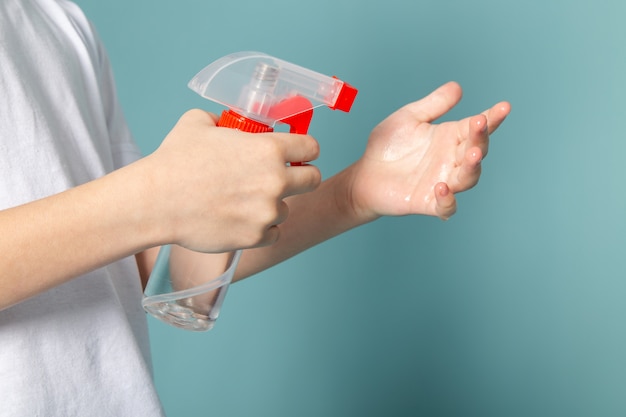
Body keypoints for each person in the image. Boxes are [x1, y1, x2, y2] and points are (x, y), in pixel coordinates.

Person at [0, 0, 511, 415]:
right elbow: (143, 210)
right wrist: (156, 196)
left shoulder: (57, 22)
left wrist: (350, 194)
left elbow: (133, 259)